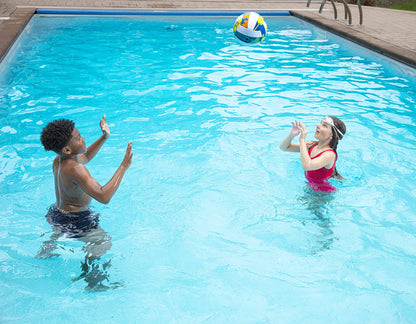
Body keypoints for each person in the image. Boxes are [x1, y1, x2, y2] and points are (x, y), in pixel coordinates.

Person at [38, 115, 133, 290]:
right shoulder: (76, 169)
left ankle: (47, 249)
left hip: (57, 213)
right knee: (102, 243)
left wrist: (104, 137)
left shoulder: (59, 161)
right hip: (76, 219)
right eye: (78, 137)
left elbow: (86, 156)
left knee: (62, 232)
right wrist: (123, 166)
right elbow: (104, 197)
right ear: (67, 149)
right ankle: (94, 283)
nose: (83, 139)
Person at [280, 116, 346, 192]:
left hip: (323, 194)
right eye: (321, 123)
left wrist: (302, 139)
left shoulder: (329, 155)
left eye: (324, 125)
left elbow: (307, 166)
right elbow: (284, 148)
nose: (318, 126)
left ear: (333, 136)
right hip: (310, 186)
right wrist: (292, 135)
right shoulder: (312, 145)